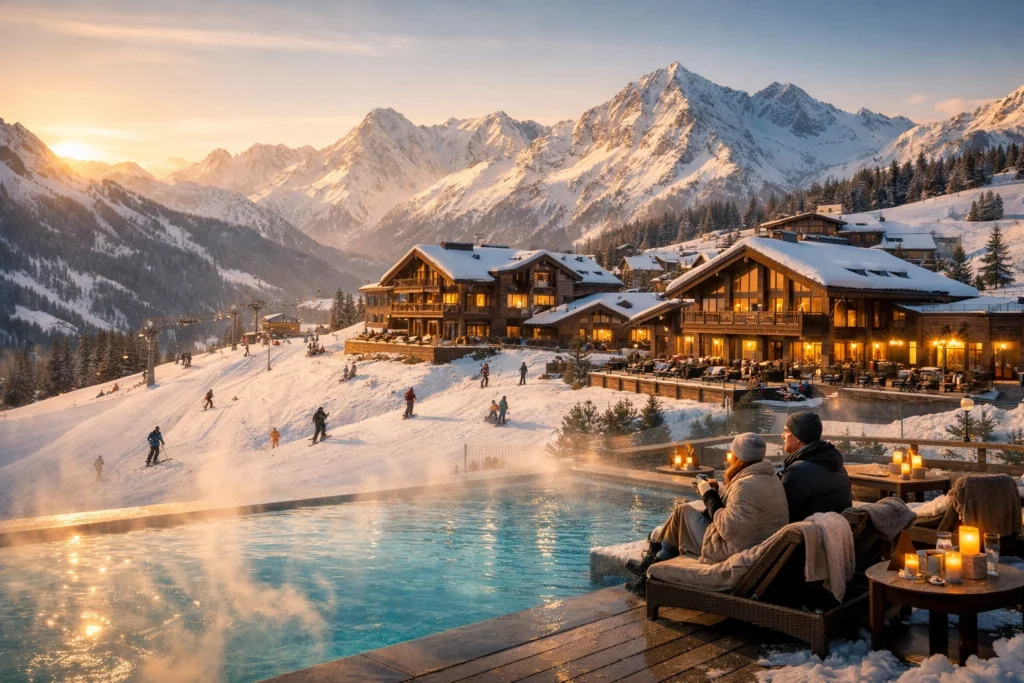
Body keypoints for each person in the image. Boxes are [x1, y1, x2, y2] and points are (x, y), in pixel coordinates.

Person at [626, 433, 789, 595]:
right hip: (761, 546)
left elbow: (729, 528)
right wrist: (718, 492)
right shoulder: (769, 478)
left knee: (682, 511)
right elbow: (745, 513)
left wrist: (708, 495)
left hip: (735, 550)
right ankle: (649, 568)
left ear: (738, 457)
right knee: (683, 515)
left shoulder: (745, 485)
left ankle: (648, 574)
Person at [780, 411, 852, 522]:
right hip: (839, 532)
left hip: (811, 536)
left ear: (798, 435)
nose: (782, 436)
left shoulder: (797, 473)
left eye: (786, 431)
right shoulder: (835, 464)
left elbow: (782, 514)